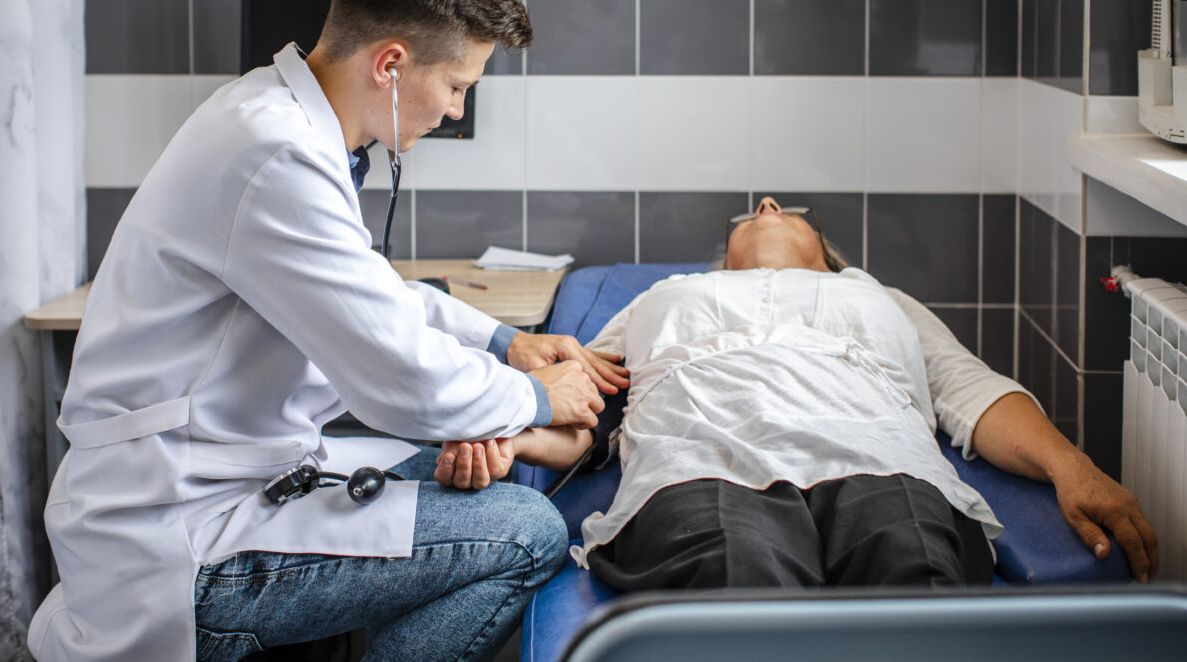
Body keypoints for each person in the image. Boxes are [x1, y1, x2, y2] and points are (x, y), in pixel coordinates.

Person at [28, 0, 628, 662]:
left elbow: (368, 292)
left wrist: (507, 344)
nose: (456, 112)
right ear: (392, 65)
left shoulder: (279, 121)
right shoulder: (273, 153)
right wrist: (542, 397)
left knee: (459, 482)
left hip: (238, 479)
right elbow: (400, 378)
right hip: (179, 535)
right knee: (526, 530)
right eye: (458, 85)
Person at [440, 197, 1159, 591]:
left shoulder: (880, 297)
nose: (767, 202)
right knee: (737, 578)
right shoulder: (671, 293)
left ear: (828, 252)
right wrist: (507, 432)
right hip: (700, 464)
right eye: (750, 212)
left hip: (883, 462)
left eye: (790, 207)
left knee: (914, 571)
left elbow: (972, 394)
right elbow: (581, 406)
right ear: (725, 258)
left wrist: (1072, 465)